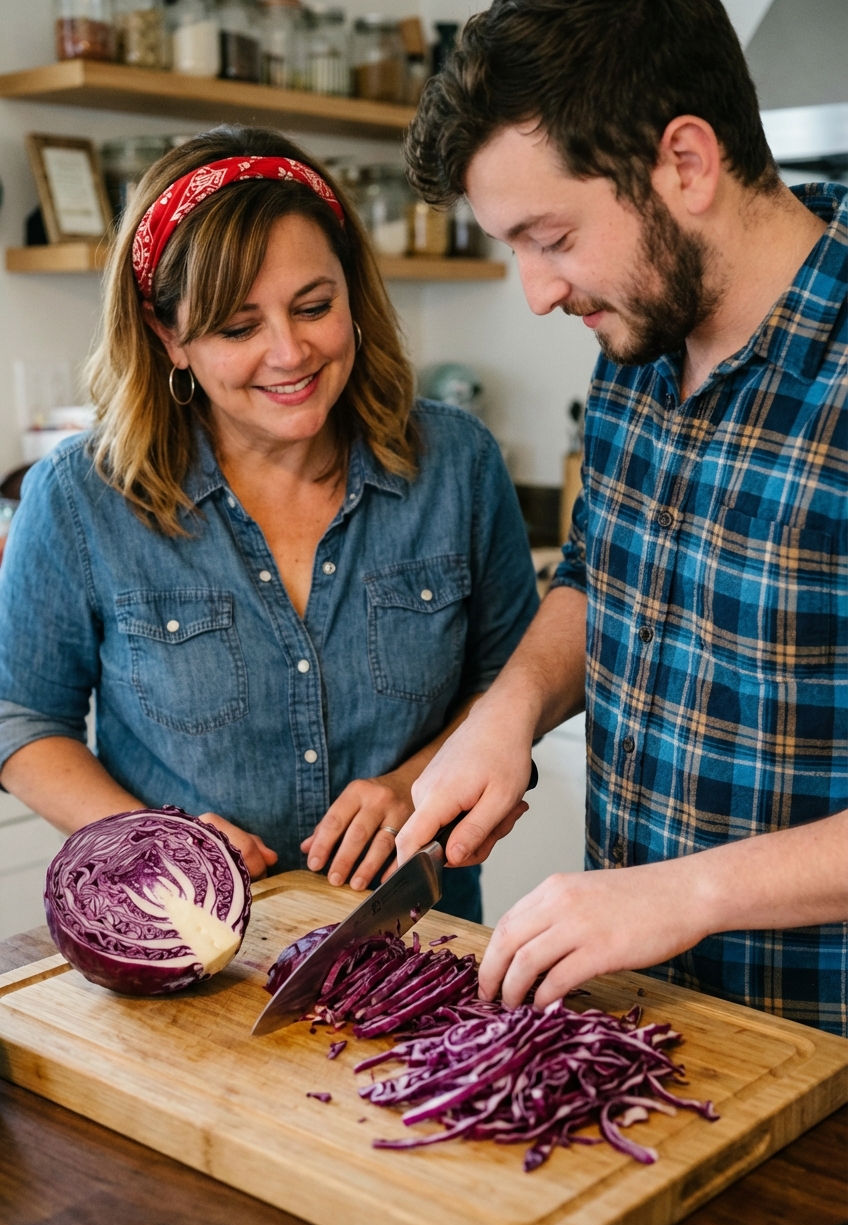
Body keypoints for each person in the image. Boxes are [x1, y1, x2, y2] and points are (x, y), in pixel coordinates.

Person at [398, 0, 847, 1031]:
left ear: (685, 162)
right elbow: (601, 573)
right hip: (654, 1037)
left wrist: (687, 892)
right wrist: (507, 712)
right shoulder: (638, 343)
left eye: (548, 238)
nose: (535, 294)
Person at [0, 125, 538, 923]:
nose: (290, 352)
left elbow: (510, 686)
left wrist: (411, 785)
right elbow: (20, 719)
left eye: (314, 306)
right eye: (238, 327)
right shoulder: (81, 499)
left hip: (418, 939)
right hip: (185, 939)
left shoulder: (455, 464)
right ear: (169, 336)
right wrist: (150, 838)